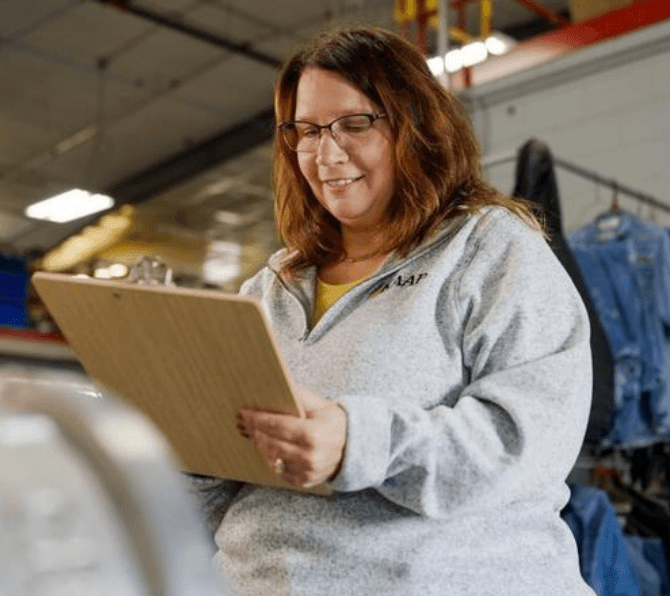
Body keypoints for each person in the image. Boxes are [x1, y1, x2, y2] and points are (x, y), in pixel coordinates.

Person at [196, 25, 595, 596]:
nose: (326, 154)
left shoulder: (489, 251)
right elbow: (214, 487)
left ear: (415, 126)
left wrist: (356, 442)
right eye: (306, 131)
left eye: (355, 124)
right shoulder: (269, 288)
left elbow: (526, 442)